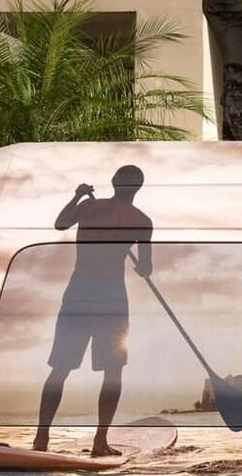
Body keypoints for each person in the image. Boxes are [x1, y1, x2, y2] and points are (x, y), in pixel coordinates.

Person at [34, 165, 153, 456]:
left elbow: (60, 224)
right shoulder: (142, 221)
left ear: (114, 182)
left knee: (60, 368)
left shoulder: (90, 206)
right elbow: (146, 269)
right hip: (112, 296)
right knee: (113, 372)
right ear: (138, 188)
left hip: (79, 291)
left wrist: (76, 196)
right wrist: (141, 265)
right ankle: (100, 442)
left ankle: (41, 439)